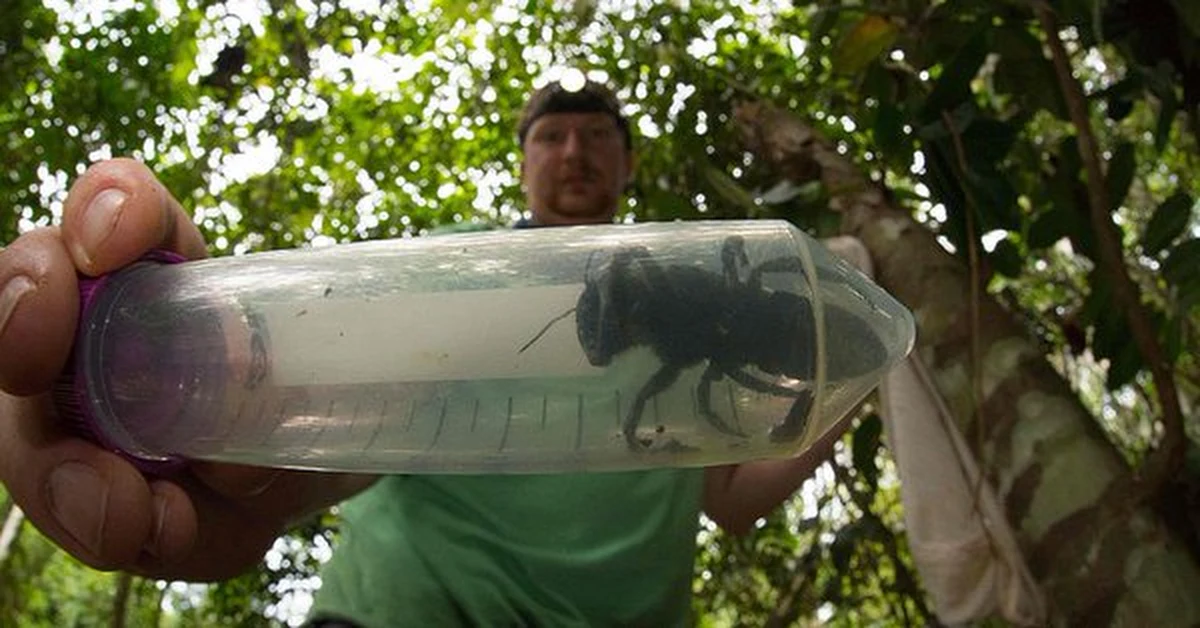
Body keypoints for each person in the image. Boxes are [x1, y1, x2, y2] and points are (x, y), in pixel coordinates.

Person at [0, 80, 845, 626]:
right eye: (552, 137)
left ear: (626, 161)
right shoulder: (459, 264)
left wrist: (850, 375)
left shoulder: (700, 272)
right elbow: (348, 419)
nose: (574, 152)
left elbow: (732, 496)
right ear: (523, 164)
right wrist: (242, 456)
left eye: (595, 136)